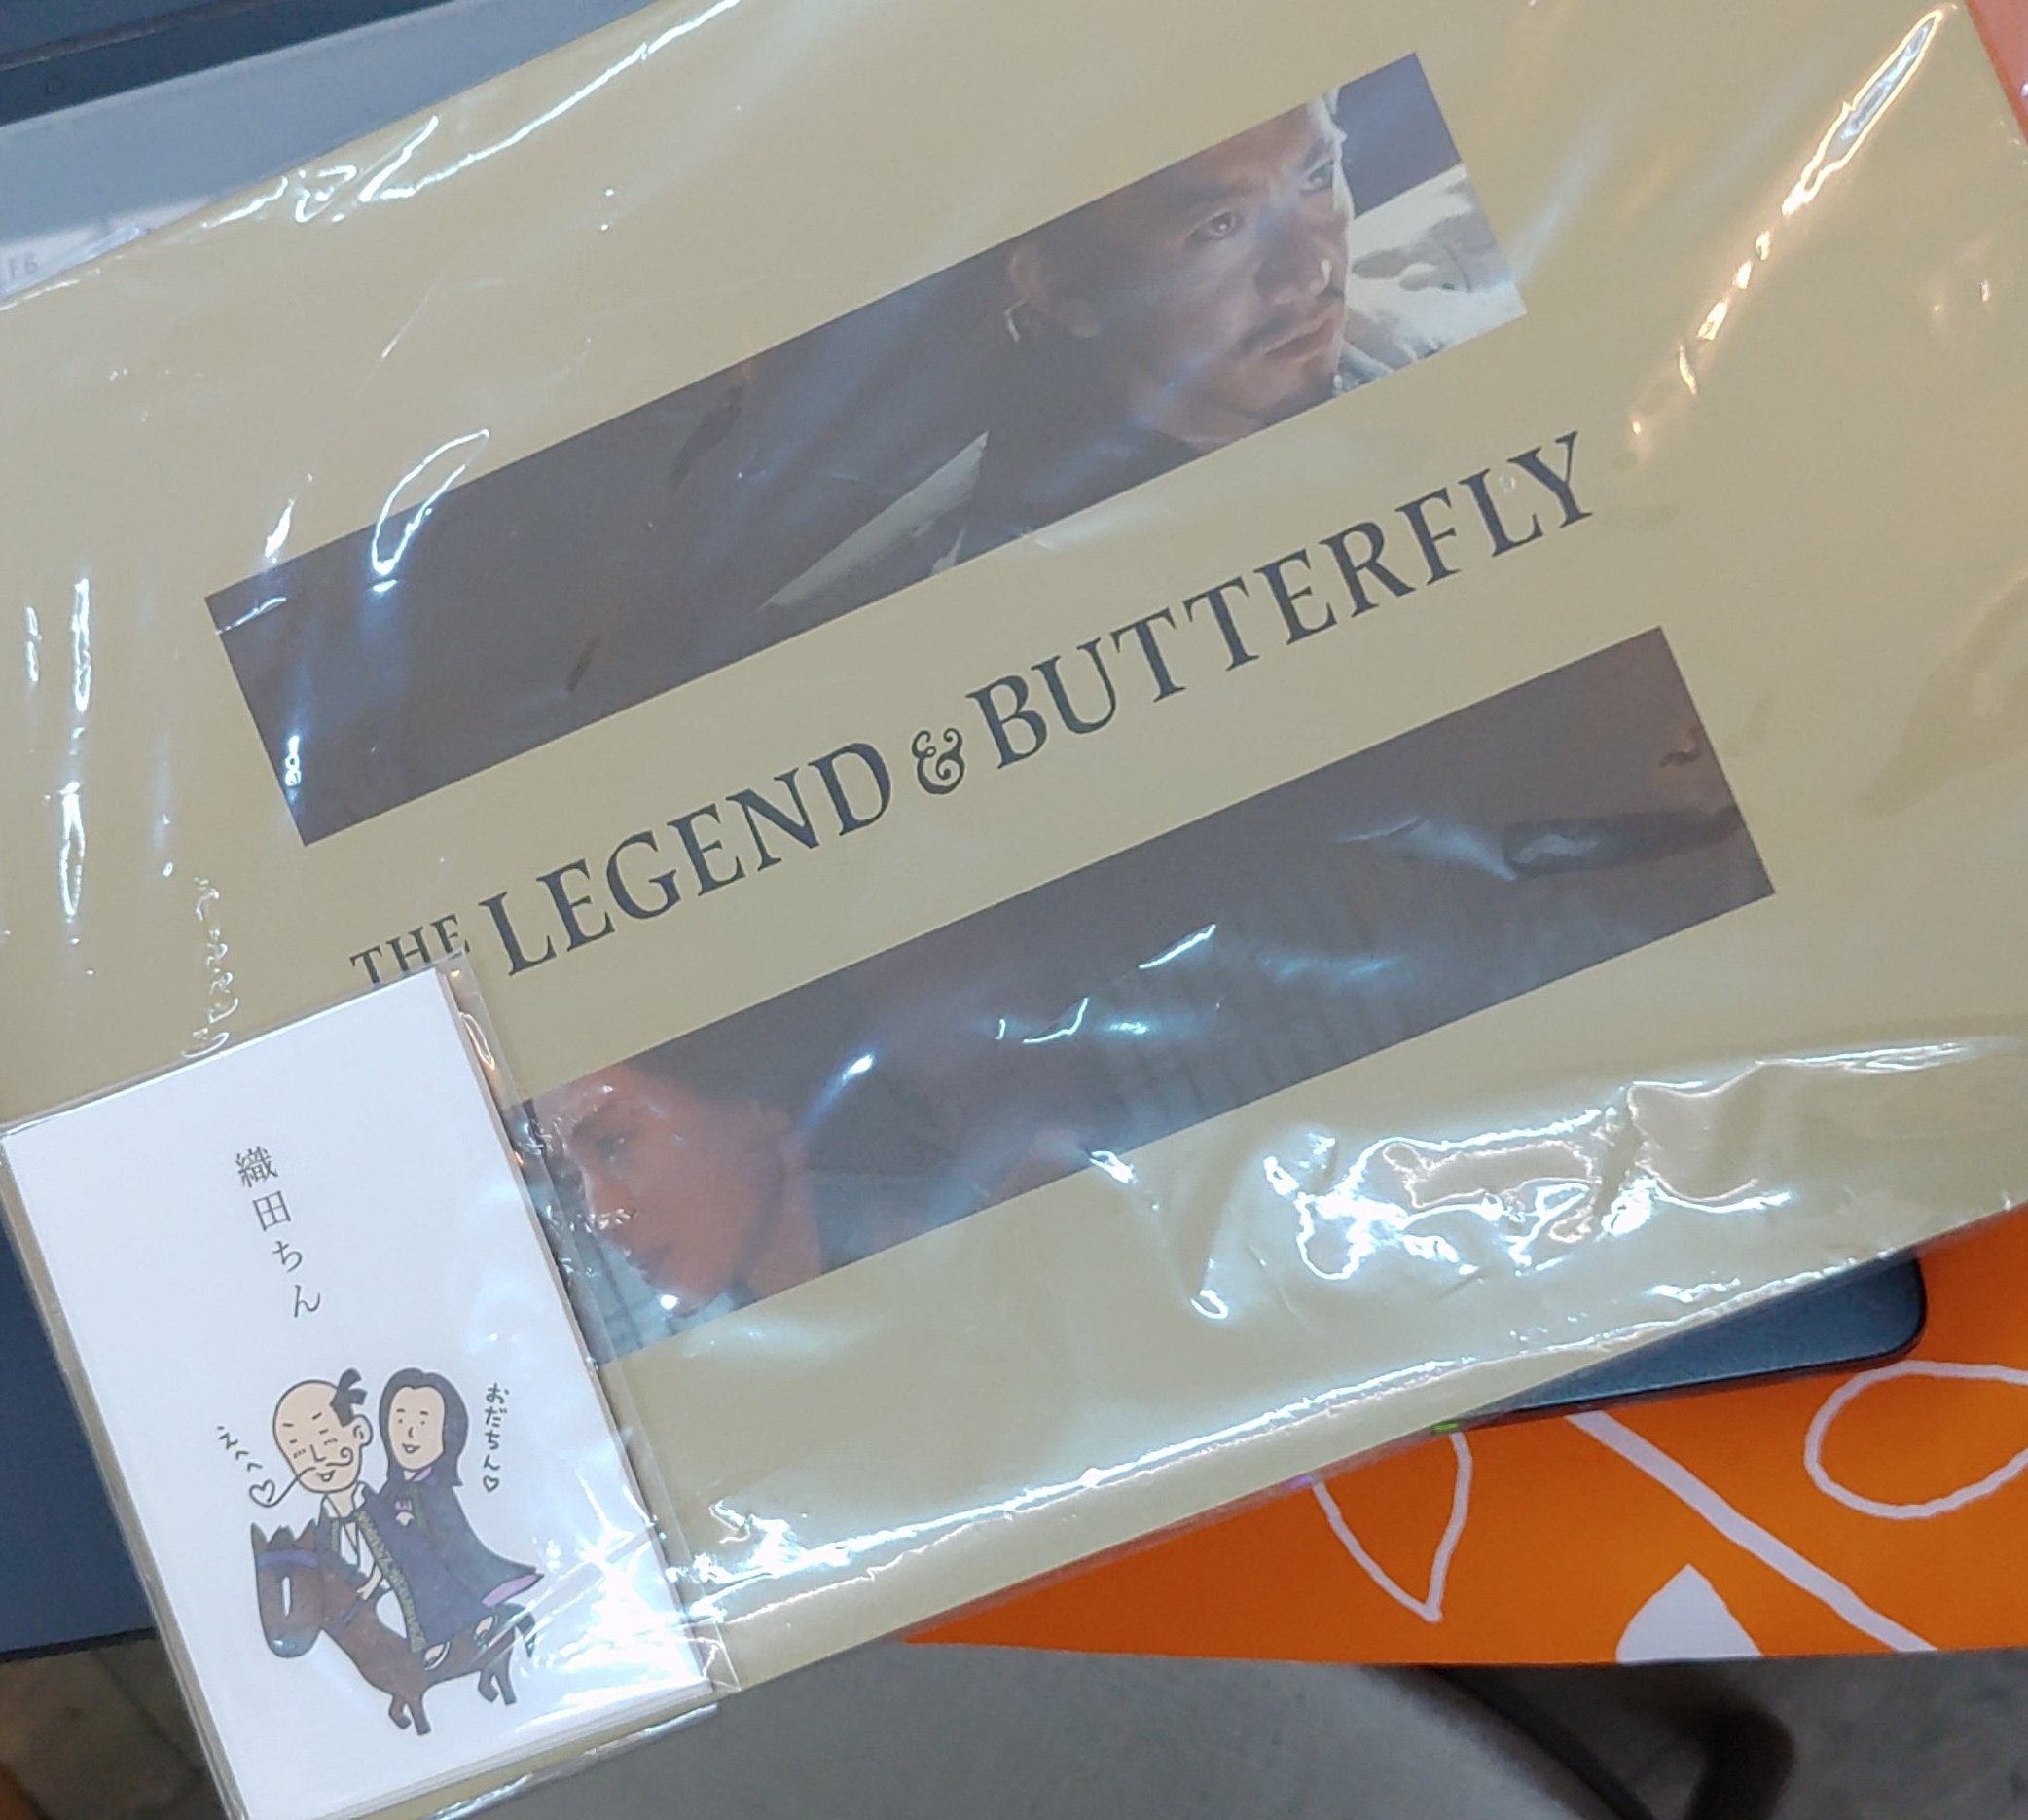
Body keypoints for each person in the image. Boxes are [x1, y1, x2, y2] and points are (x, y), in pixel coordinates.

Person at [954, 92, 1437, 557]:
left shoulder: (1402, 359)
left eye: (1316, 177)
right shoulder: (1060, 567)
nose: (1309, 273)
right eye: (1220, 225)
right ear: (1063, 286)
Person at [367, 1370, 539, 1666]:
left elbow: (453, 1540)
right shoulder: (390, 1491)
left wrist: (414, 1528)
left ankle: (479, 1618)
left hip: (442, 1567)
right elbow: (381, 1546)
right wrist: (372, 1584)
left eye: (423, 1422)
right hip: (410, 1573)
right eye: (400, 1421)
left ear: (447, 1433)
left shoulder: (438, 1492)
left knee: (445, 1584)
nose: (410, 1433)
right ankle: (436, 1638)